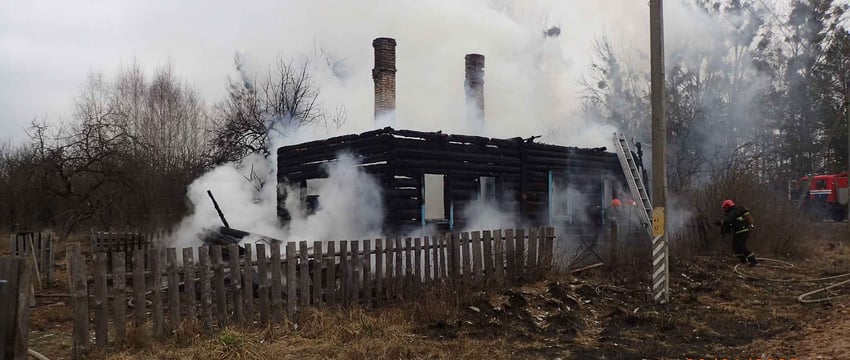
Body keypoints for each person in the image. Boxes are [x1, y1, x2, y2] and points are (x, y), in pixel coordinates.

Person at [719, 199, 758, 266]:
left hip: (742, 231)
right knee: (735, 246)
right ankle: (743, 260)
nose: (724, 209)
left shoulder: (733, 212)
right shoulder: (733, 211)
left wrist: (720, 222)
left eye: (725, 207)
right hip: (738, 232)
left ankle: (753, 260)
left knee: (741, 246)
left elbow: (728, 220)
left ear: (728, 206)